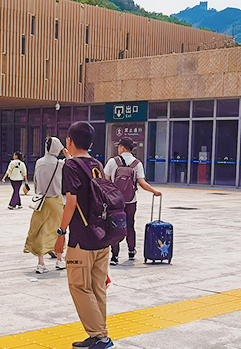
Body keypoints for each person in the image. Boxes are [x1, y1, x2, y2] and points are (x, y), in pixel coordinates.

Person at [55, 122, 114, 349]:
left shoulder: (70, 166)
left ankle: (100, 336)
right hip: (102, 237)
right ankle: (98, 335)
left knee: (79, 286)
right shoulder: (97, 164)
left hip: (82, 238)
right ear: (90, 143)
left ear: (69, 141)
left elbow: (71, 202)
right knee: (97, 287)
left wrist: (61, 233)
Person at [104, 136, 162, 265]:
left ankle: (115, 256)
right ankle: (131, 251)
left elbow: (105, 180)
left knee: (114, 226)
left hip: (115, 201)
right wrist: (155, 192)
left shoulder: (113, 162)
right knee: (130, 225)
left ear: (122, 148)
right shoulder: (137, 163)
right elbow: (142, 183)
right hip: (131, 201)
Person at [25, 137, 67, 273]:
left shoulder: (39, 162)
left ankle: (41, 263)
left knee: (41, 231)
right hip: (56, 201)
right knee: (58, 231)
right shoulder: (60, 163)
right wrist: (67, 154)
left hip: (41, 200)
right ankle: (59, 260)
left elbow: (36, 181)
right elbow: (74, 165)